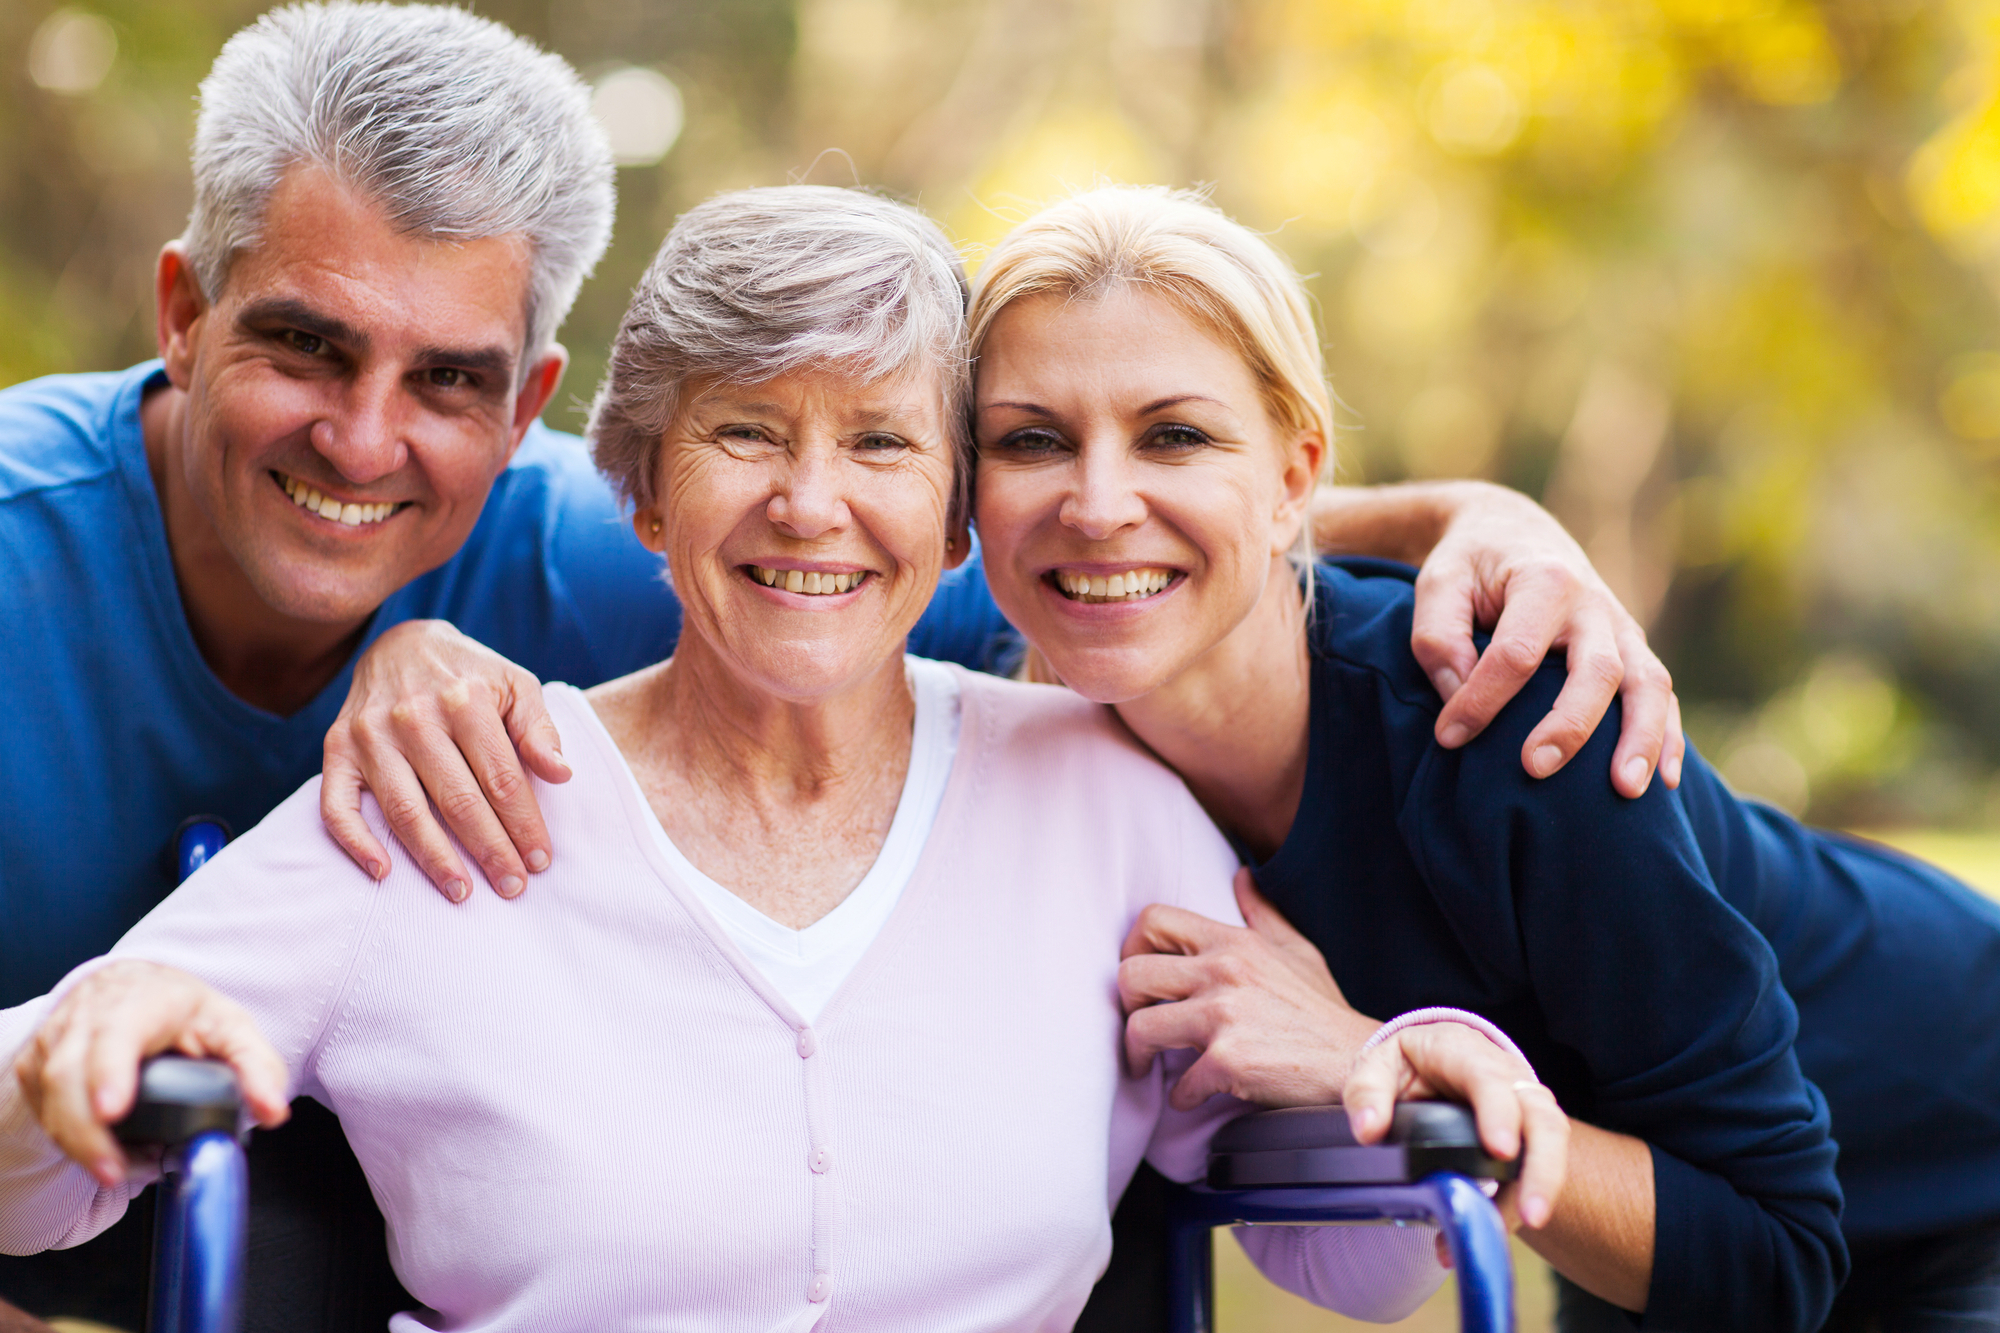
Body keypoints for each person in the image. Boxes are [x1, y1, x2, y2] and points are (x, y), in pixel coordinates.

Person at [0, 1, 1670, 1322]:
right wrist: (66, 1045)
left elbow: (1365, 1262)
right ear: (636, 486)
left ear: (961, 520)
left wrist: (1390, 1055)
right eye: (743, 433)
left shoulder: (1097, 793)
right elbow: (39, 1171)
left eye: (882, 442)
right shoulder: (434, 799)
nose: (814, 503)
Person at [361, 186, 1877, 1330]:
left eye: (1172, 437)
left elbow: (1782, 1252)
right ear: (968, 497)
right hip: (1625, 1232)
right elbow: (705, 541)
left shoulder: (1503, 712)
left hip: (1916, 1171)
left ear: (1294, 475)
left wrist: (1365, 1054)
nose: (1094, 507)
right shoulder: (992, 674)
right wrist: (409, 645)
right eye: (1028, 441)